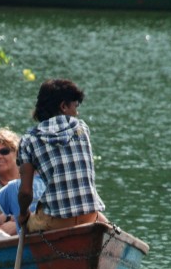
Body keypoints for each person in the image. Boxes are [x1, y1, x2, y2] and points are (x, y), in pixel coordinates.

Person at [16, 79, 106, 234]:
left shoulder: (28, 141)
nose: (76, 113)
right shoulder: (82, 129)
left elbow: (25, 193)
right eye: (75, 107)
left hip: (56, 221)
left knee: (27, 224)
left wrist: (24, 214)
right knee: (104, 223)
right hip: (90, 216)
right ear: (63, 106)